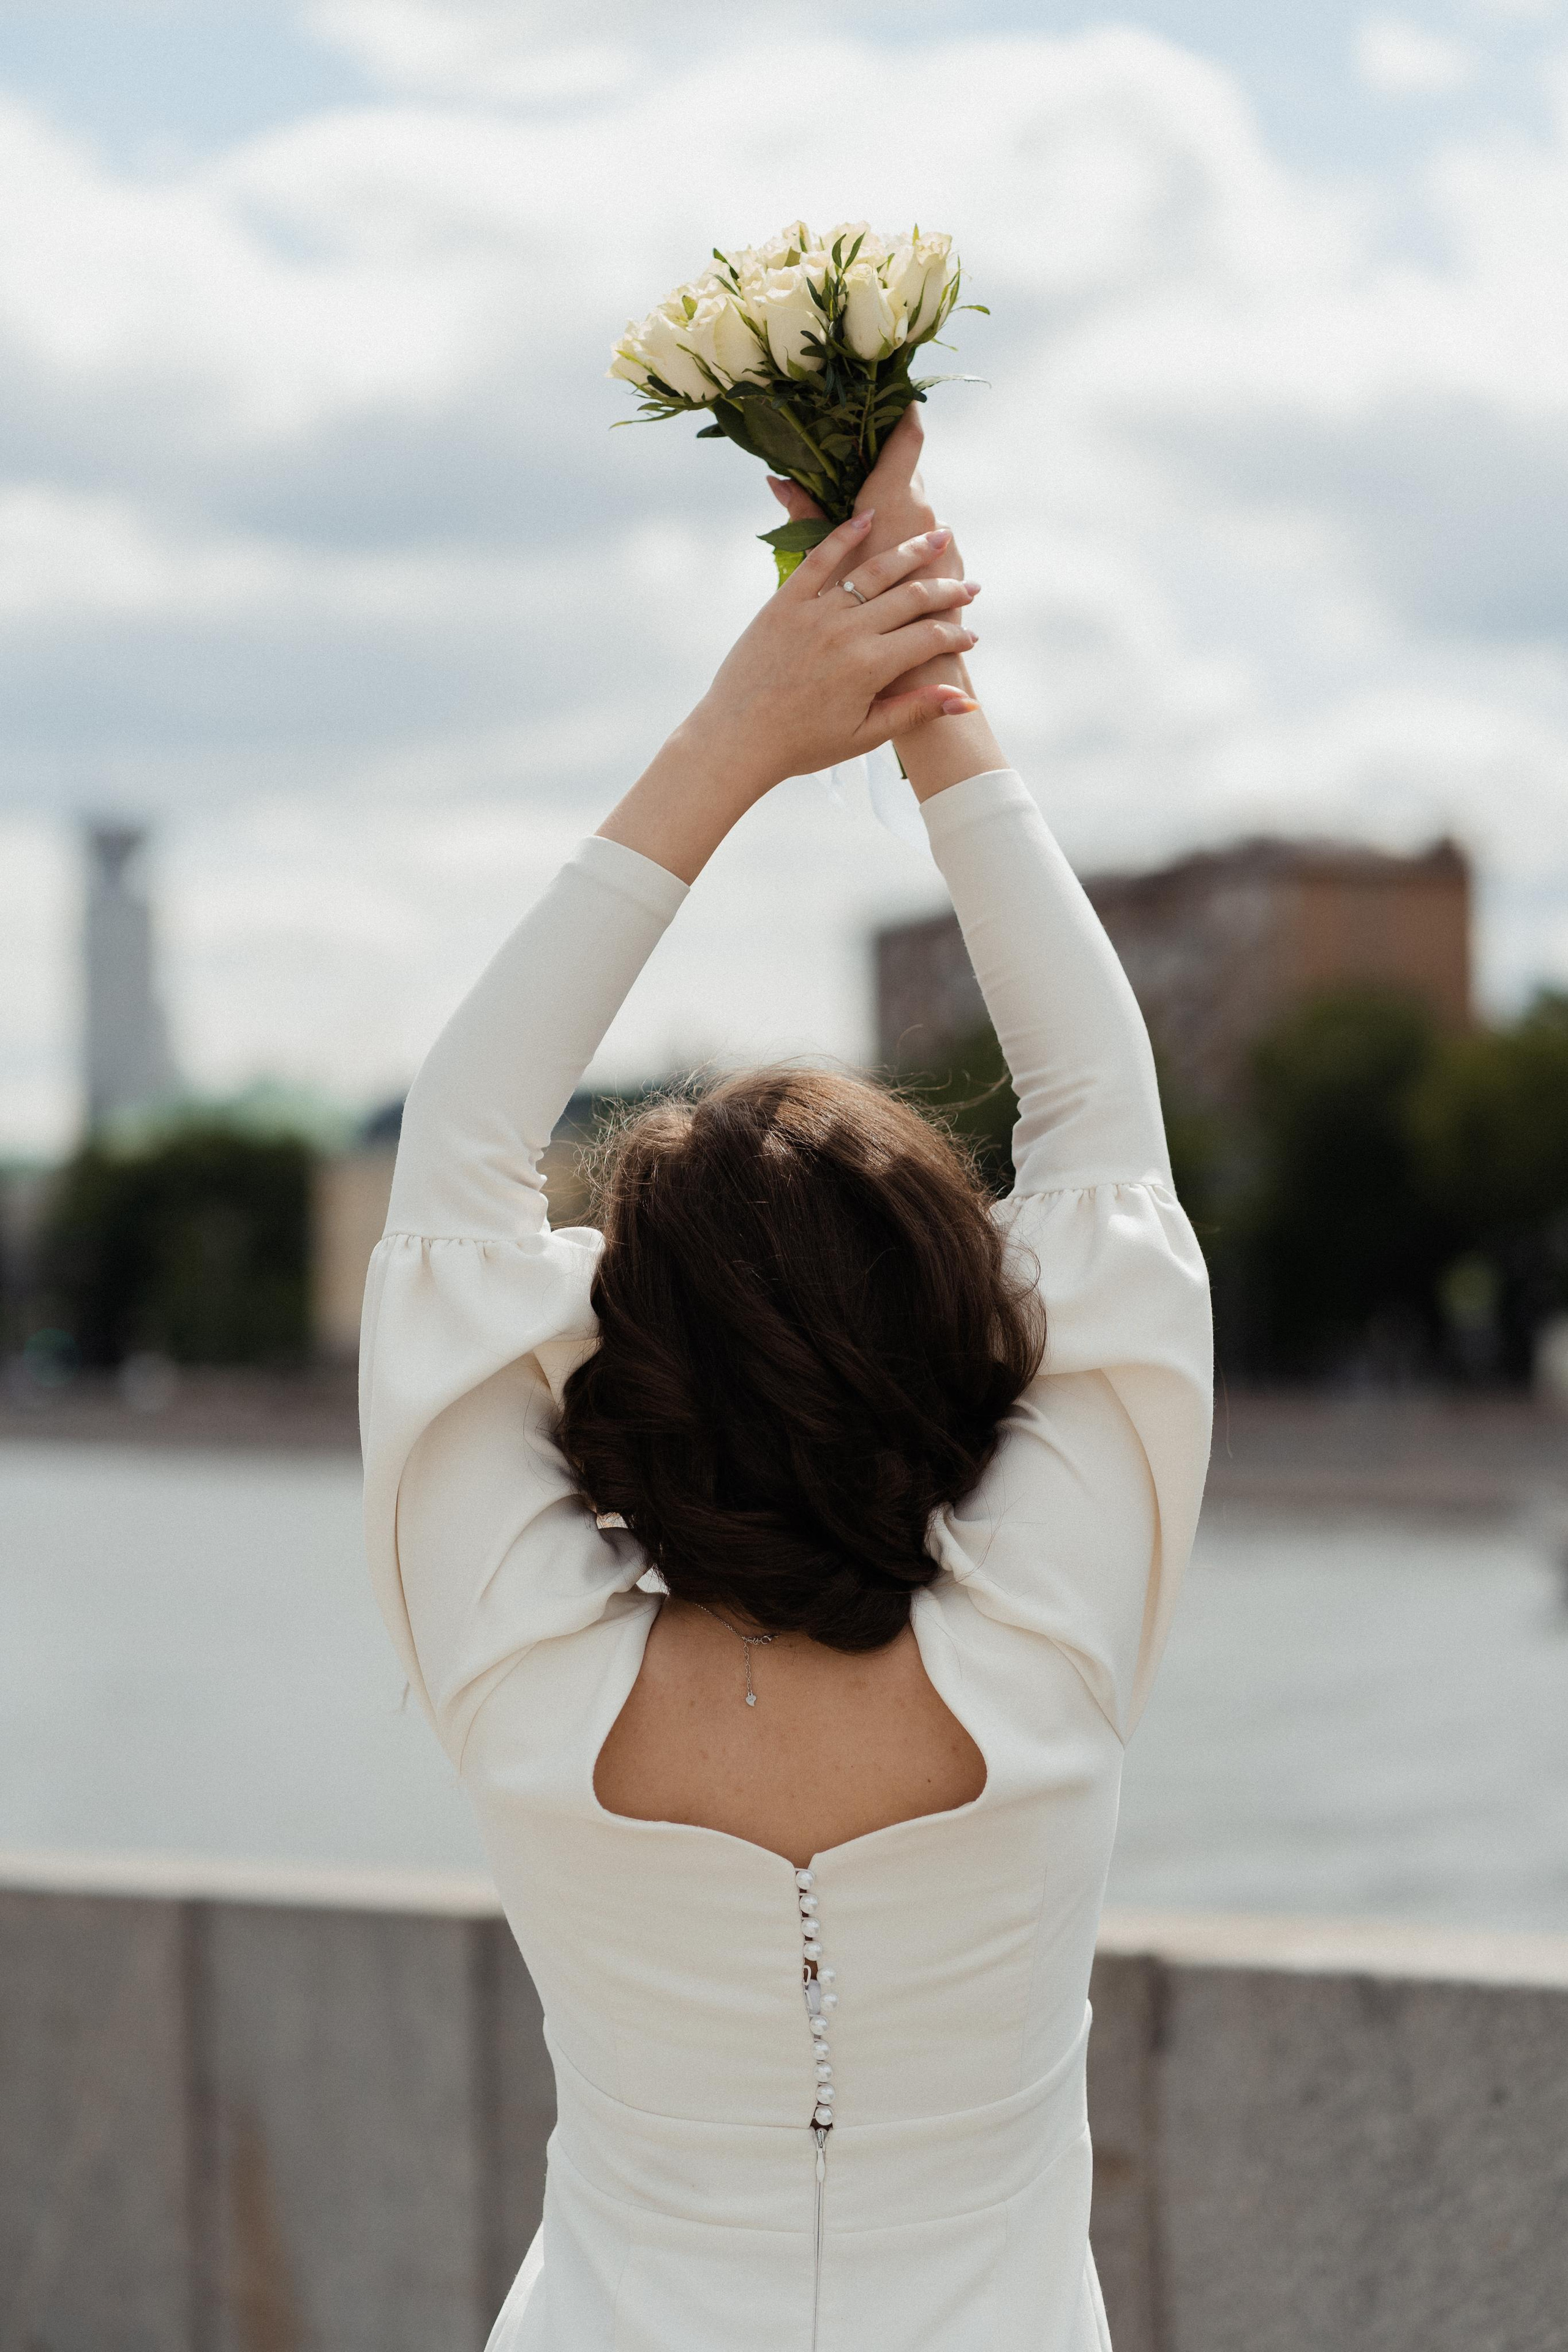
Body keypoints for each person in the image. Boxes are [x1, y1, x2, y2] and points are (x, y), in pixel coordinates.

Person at [360, 410, 1213, 2352]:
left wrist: (737, 735)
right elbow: (1105, 1138)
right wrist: (934, 704)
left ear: (612, 1371)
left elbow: (452, 1173)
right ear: (961, 1348)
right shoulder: (1051, 1659)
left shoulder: (524, 1693)